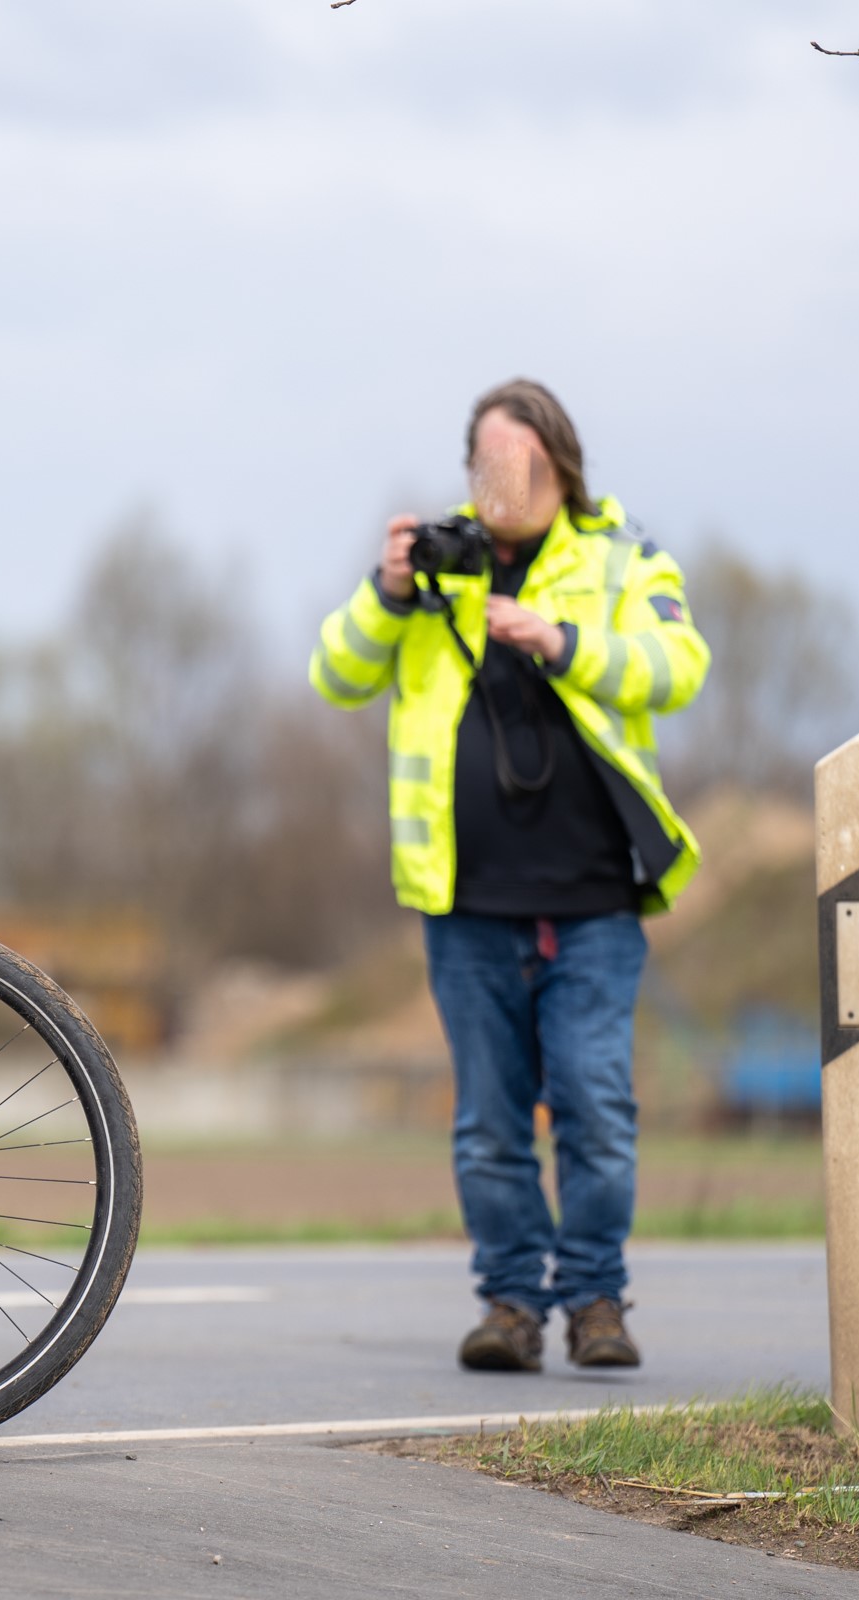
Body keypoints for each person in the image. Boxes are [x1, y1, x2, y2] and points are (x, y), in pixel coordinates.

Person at [308, 379, 710, 1372]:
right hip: (466, 901)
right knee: (490, 1122)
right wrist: (388, 591)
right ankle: (511, 1308)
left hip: (593, 901)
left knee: (595, 1109)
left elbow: (679, 665)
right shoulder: (434, 578)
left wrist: (557, 639)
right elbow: (337, 674)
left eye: (519, 465)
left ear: (560, 466)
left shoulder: (624, 558)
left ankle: (598, 1300)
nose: (501, 486)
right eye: (485, 466)